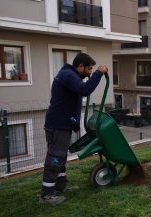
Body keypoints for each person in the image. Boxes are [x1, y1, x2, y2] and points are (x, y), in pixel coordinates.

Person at [40, 53, 108, 204]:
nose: (90, 72)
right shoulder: (67, 75)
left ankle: (61, 186)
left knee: (61, 157)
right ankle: (47, 194)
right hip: (57, 125)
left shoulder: (69, 75)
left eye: (92, 70)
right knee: (55, 158)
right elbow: (84, 90)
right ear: (80, 66)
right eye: (89, 69)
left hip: (62, 124)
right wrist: (98, 73)